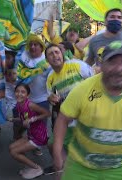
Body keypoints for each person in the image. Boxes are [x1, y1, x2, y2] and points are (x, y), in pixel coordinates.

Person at [53, 39, 122, 179]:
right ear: (101, 65)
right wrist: (57, 153)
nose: (118, 68)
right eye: (112, 61)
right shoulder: (83, 89)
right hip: (82, 165)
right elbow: (63, 118)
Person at [44, 44, 93, 174]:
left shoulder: (78, 65)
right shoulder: (50, 77)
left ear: (62, 54)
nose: (55, 56)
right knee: (52, 144)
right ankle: (65, 168)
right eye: (51, 54)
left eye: (57, 52)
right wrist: (51, 98)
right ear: (47, 60)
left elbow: (95, 82)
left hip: (87, 118)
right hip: (68, 119)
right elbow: (50, 95)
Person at [9, 84, 51, 179]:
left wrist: (33, 119)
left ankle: (37, 168)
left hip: (39, 137)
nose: (19, 94)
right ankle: (29, 165)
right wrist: (13, 119)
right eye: (17, 91)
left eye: (23, 92)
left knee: (14, 152)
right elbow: (23, 118)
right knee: (11, 147)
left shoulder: (31, 105)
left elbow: (47, 113)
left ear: (28, 95)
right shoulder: (19, 104)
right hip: (31, 134)